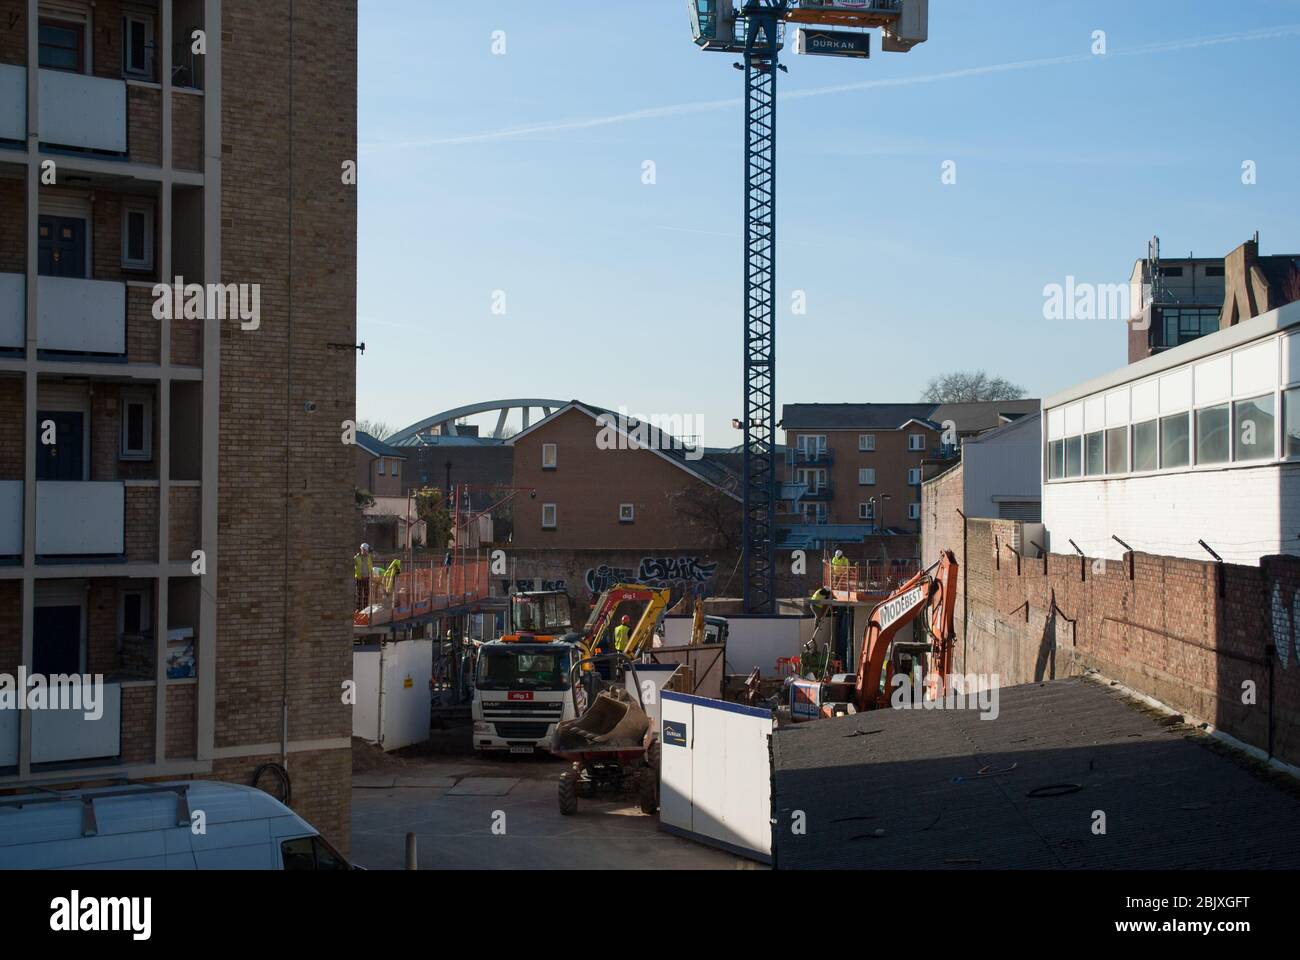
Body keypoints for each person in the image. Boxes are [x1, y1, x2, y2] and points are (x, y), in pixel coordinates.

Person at [354, 543, 374, 611]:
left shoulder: (369, 557)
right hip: (359, 578)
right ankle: (358, 610)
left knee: (366, 595)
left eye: (366, 550)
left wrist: (371, 575)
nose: (366, 551)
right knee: (359, 595)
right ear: (361, 549)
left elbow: (370, 567)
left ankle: (365, 609)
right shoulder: (356, 557)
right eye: (364, 550)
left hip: (366, 578)